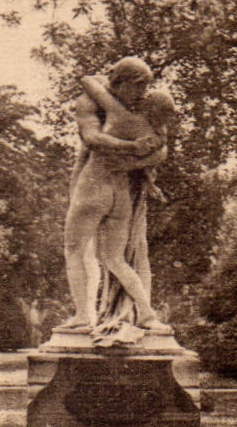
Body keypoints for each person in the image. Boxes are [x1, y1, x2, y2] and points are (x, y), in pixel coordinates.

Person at [59, 57, 176, 343]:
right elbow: (158, 154)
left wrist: (127, 148)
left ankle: (83, 316)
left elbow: (93, 137)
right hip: (121, 194)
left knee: (74, 249)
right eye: (138, 87)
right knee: (115, 258)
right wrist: (136, 154)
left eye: (145, 90)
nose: (141, 94)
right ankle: (147, 314)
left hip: (94, 187)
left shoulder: (118, 113)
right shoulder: (150, 130)